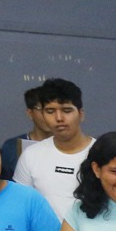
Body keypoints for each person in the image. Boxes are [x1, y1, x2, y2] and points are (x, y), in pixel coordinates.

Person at [11, 78, 94, 220]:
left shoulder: (101, 153)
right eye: (50, 111)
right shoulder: (31, 155)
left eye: (67, 110)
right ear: (43, 115)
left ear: (81, 114)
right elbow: (22, 207)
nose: (59, 118)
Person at [0, 87, 49, 181]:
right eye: (42, 110)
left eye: (52, 110)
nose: (49, 115)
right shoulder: (11, 147)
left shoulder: (68, 146)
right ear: (30, 113)